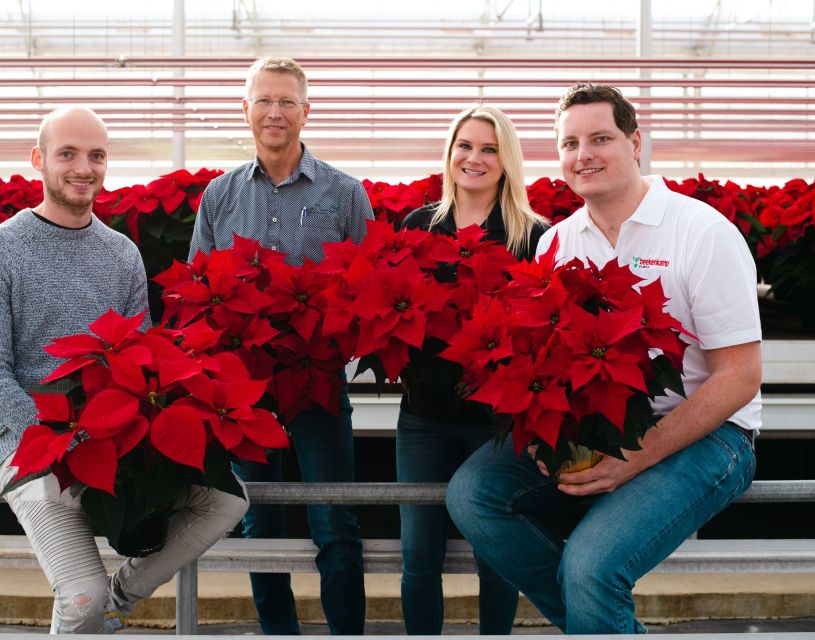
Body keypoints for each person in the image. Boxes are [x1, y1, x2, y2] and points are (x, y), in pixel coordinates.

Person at [445, 83, 762, 634]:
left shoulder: (703, 232)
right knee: (473, 496)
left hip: (712, 435)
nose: (583, 155)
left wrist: (637, 455)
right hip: (599, 429)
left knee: (591, 567)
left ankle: (595, 610)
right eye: (569, 144)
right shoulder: (558, 242)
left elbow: (739, 377)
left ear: (635, 143)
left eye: (600, 139)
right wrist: (544, 436)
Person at [0, 107, 249, 634]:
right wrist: (66, 446)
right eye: (67, 154)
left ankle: (121, 598)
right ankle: (100, 607)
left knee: (227, 501)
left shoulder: (122, 254)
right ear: (38, 160)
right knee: (82, 596)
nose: (83, 168)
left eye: (96, 155)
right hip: (29, 448)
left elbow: (142, 361)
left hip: (114, 442)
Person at [188, 57, 373, 635]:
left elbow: (367, 289)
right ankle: (278, 632)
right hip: (242, 389)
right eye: (264, 101)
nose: (275, 112)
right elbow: (198, 288)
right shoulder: (219, 195)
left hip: (317, 381)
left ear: (306, 111)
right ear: (245, 110)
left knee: (334, 521)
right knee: (259, 521)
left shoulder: (345, 194)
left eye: (287, 101)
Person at [397, 105, 547, 635]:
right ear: (450, 152)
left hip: (496, 424)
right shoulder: (419, 226)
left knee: (496, 555)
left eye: (489, 149)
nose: (474, 158)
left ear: (507, 161)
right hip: (424, 419)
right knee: (419, 556)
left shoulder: (532, 235)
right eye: (465, 145)